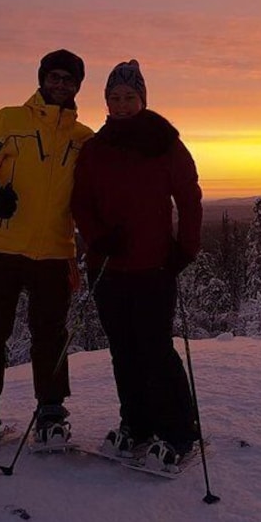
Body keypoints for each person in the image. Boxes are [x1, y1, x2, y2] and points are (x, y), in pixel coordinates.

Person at [0, 49, 94, 450]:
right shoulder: (9, 119)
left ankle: (51, 412)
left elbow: (101, 190)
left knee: (50, 335)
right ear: (42, 78)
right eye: (55, 77)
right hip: (3, 245)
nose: (61, 84)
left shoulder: (84, 139)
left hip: (55, 250)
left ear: (77, 86)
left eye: (69, 80)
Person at [71, 59, 203, 465]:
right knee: (123, 351)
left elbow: (189, 198)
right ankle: (137, 424)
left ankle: (179, 432)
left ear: (142, 99)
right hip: (108, 268)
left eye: (129, 97)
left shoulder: (165, 143)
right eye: (115, 98)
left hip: (153, 267)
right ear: (106, 102)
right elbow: (81, 201)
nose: (122, 104)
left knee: (156, 350)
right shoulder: (95, 149)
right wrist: (97, 237)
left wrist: (185, 249)